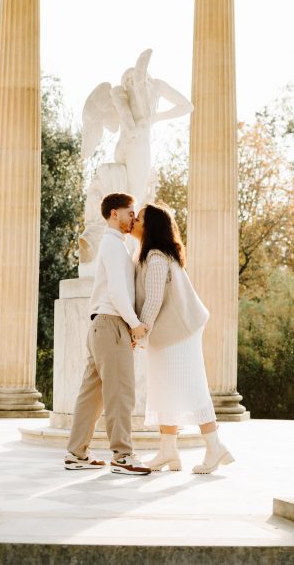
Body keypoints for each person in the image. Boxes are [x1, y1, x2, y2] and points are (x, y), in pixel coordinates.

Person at [131, 203, 234, 474]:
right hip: (173, 332)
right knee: (165, 388)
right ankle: (168, 451)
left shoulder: (155, 257)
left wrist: (139, 331)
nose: (134, 222)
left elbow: (153, 301)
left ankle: (215, 447)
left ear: (149, 226)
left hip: (177, 332)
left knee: (191, 386)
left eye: (139, 218)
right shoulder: (157, 255)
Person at [64, 193, 152, 475]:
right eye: (130, 213)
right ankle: (123, 457)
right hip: (111, 324)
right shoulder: (113, 245)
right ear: (115, 213)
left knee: (91, 395)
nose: (133, 219)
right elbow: (117, 290)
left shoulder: (115, 245)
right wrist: (135, 324)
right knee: (120, 394)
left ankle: (76, 454)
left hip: (101, 325)